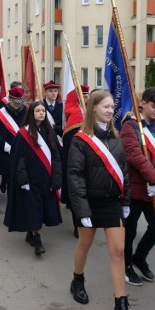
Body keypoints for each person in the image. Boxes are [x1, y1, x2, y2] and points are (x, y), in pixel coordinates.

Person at [67, 90, 133, 310]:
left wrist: (125, 200)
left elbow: (124, 172)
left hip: (111, 202)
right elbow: (75, 177)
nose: (110, 111)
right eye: (105, 107)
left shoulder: (116, 138)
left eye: (111, 107)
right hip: (89, 203)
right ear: (93, 108)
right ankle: (77, 278)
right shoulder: (80, 140)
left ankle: (120, 305)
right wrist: (82, 211)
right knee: (85, 244)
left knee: (118, 250)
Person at [120, 87, 155, 286]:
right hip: (134, 188)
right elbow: (135, 157)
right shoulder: (130, 127)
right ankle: (126, 265)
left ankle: (139, 257)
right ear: (143, 103)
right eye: (154, 106)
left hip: (153, 188)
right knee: (129, 231)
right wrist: (153, 178)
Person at [4, 101, 62, 256]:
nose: (41, 113)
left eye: (43, 110)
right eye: (38, 111)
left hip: (47, 179)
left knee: (41, 210)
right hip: (31, 180)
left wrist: (56, 179)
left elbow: (56, 157)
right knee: (34, 209)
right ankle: (37, 240)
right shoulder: (24, 133)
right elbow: (19, 159)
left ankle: (30, 233)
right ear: (31, 113)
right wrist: (23, 181)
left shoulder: (49, 132)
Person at [62, 84, 90, 238]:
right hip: (77, 163)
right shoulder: (75, 117)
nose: (86, 99)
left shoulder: (94, 114)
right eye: (83, 96)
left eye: (87, 96)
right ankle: (77, 224)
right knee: (76, 193)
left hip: (92, 164)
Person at [0, 87, 27, 194]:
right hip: (8, 150)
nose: (18, 104)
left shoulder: (27, 112)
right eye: (15, 101)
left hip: (23, 150)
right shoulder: (0, 115)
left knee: (21, 176)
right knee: (11, 178)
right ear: (10, 99)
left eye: (20, 101)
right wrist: (9, 148)